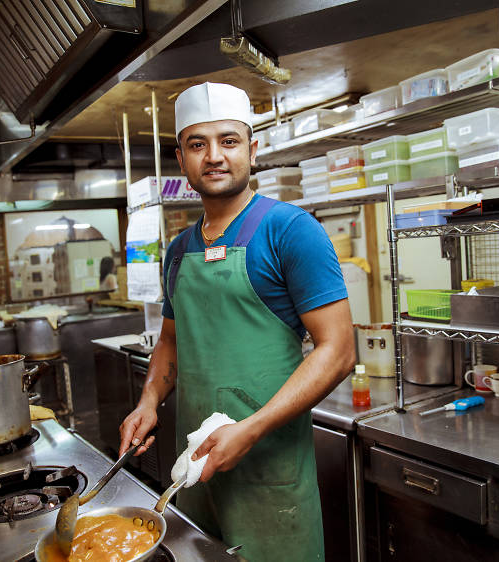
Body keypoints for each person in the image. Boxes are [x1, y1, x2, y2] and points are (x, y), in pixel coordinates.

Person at [119, 82, 355, 561]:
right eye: (197, 144)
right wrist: (148, 401)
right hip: (197, 474)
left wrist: (252, 429)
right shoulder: (180, 250)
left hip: (270, 474)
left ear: (252, 147)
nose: (214, 156)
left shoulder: (290, 231)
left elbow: (339, 351)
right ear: (181, 159)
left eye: (228, 140)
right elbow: (171, 339)